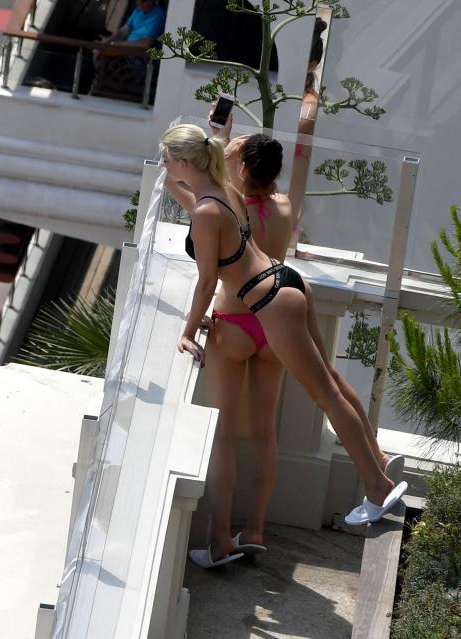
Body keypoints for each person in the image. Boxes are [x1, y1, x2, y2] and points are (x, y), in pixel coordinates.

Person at [159, 122, 408, 566]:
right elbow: (200, 199)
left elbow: (206, 281)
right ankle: (375, 469)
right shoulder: (227, 195)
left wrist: (186, 329)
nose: (163, 165)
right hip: (284, 284)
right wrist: (211, 152)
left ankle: (376, 487)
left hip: (258, 305)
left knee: (265, 419)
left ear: (182, 162)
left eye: (166, 158)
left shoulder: (213, 203)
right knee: (325, 390)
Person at [93, 0, 167, 68]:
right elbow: (122, 32)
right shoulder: (137, 11)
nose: (138, 3)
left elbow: (145, 44)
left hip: (138, 60)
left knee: (100, 55)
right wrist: (106, 43)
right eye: (137, 0)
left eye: (142, 1)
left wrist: (113, 44)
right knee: (97, 51)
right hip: (124, 55)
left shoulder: (160, 15)